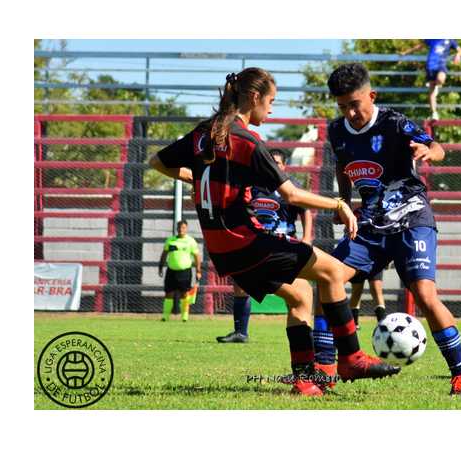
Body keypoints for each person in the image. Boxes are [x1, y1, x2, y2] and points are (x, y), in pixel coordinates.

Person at [149, 67, 401, 396]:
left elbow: (157, 161)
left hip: (222, 247)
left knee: (300, 296)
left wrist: (199, 179)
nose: (271, 110)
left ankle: (305, 379)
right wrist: (338, 205)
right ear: (254, 97)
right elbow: (292, 196)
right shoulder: (248, 141)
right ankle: (351, 358)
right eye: (270, 102)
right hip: (247, 240)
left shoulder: (203, 133)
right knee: (334, 272)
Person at [316, 63, 461, 395]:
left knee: (424, 296)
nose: (350, 112)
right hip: (370, 225)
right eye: (342, 105)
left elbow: (439, 148)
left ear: (371, 96)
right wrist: (344, 203)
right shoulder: (336, 130)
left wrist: (426, 151)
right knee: (327, 279)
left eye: (355, 104)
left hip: (411, 218)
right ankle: (324, 369)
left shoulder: (393, 122)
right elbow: (345, 170)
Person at [217, 149, 314, 343]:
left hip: (287, 245)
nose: (274, 166)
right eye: (271, 162)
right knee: (240, 284)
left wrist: (306, 238)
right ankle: (240, 332)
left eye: (278, 163)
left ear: (284, 166)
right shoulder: (253, 185)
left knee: (296, 293)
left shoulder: (291, 186)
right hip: (259, 245)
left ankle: (302, 333)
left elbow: (305, 212)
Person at [400, 39, 461, 121]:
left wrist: (458, 55)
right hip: (430, 65)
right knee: (431, 91)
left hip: (440, 65)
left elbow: (460, 50)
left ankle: (437, 84)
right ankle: (434, 113)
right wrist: (405, 53)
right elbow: (419, 46)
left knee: (441, 79)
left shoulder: (450, 40)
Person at [158, 220, 201, 322]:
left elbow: (197, 256)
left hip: (185, 271)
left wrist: (198, 270)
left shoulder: (191, 241)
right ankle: (165, 316)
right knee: (169, 293)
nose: (181, 229)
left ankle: (184, 316)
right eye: (179, 227)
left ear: (186, 229)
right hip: (171, 271)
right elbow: (164, 254)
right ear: (176, 228)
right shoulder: (170, 240)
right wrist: (160, 266)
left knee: (184, 294)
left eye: (183, 227)